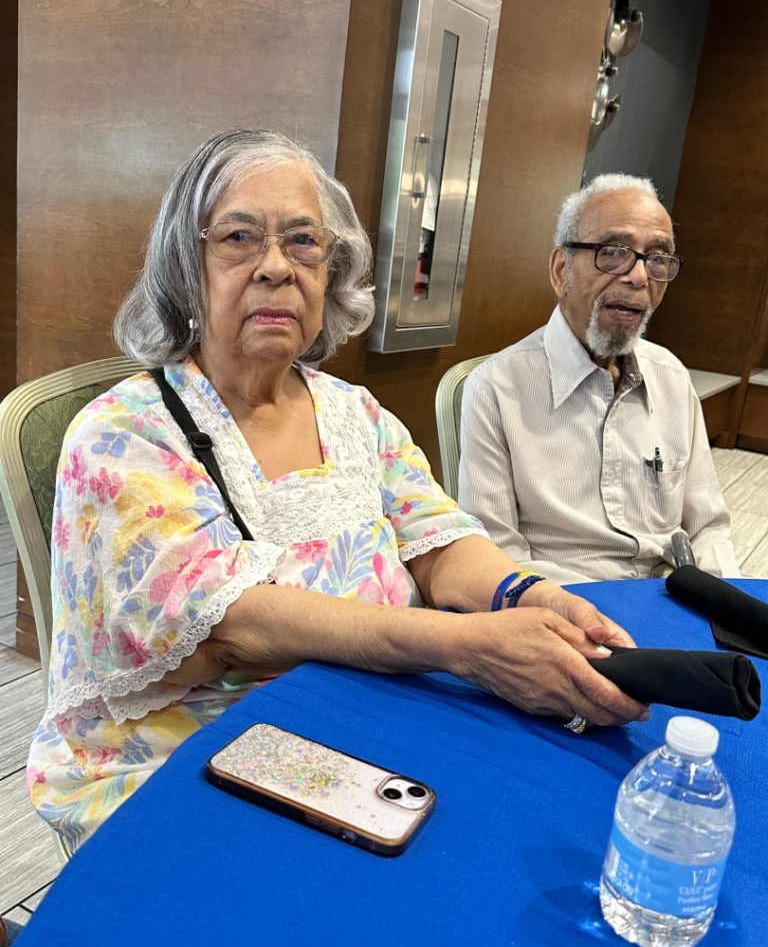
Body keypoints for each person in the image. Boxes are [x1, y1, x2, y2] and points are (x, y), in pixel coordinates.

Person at [27, 131, 645, 853]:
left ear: (332, 269)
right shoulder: (124, 434)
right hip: (191, 754)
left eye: (302, 241)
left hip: (365, 714)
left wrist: (528, 595)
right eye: (238, 237)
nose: (275, 267)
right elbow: (232, 628)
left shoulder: (356, 412)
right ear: (185, 269)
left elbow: (439, 543)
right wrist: (463, 646)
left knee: (537, 818)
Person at [458, 173, 740, 584]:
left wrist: (723, 606)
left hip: (673, 597)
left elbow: (708, 527)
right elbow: (499, 555)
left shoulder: (671, 377)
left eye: (657, 258)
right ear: (561, 270)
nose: (639, 277)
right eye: (613, 252)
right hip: (566, 604)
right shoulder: (497, 389)